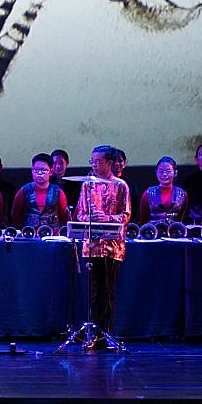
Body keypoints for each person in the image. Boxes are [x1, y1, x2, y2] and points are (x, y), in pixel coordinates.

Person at [75, 145, 129, 347]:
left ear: (109, 163)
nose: (95, 165)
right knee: (93, 291)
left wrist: (106, 218)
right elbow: (80, 213)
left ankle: (107, 334)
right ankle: (93, 335)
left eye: (98, 161)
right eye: (92, 161)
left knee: (109, 290)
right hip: (92, 245)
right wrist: (90, 218)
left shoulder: (121, 185)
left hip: (112, 246)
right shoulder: (87, 185)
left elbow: (125, 215)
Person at [10, 153, 69, 232]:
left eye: (43, 170)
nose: (39, 173)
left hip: (52, 235)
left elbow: (64, 216)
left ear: (51, 172)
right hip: (29, 234)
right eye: (36, 170)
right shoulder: (24, 190)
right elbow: (15, 215)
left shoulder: (58, 192)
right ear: (32, 170)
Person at [137, 156, 188, 226]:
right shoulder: (148, 193)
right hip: (153, 233)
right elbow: (143, 220)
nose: (164, 174)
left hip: (175, 233)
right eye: (161, 171)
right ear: (156, 172)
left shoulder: (182, 194)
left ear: (175, 173)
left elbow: (181, 219)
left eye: (168, 171)